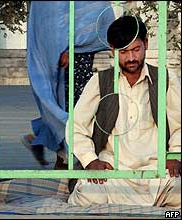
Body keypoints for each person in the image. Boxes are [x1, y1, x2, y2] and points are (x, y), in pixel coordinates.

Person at [67, 15, 181, 208]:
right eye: (124, 52)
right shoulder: (100, 81)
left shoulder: (165, 79)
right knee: (88, 193)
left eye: (136, 49)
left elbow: (179, 124)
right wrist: (90, 161)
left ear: (146, 44)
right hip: (113, 171)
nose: (131, 58)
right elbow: (76, 126)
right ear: (112, 50)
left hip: (156, 172)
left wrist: (174, 156)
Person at [23, 1, 115, 168]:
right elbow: (48, 21)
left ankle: (43, 141)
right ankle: (63, 163)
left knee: (80, 108)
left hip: (81, 56)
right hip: (63, 59)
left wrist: (75, 46)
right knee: (70, 108)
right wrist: (65, 48)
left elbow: (97, 11)